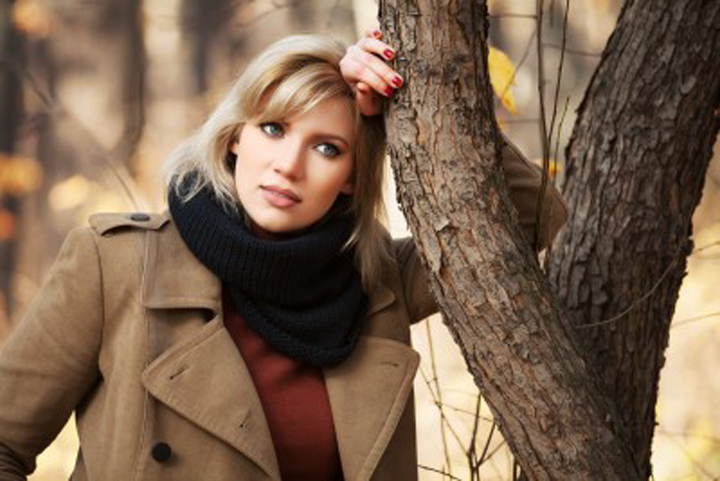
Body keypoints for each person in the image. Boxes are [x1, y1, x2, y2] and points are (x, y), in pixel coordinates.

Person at [0, 29, 567, 481]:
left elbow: (531, 218)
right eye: (273, 128)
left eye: (327, 148)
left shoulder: (375, 283)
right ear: (235, 137)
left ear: (351, 177)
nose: (288, 166)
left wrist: (414, 104)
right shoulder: (116, 264)